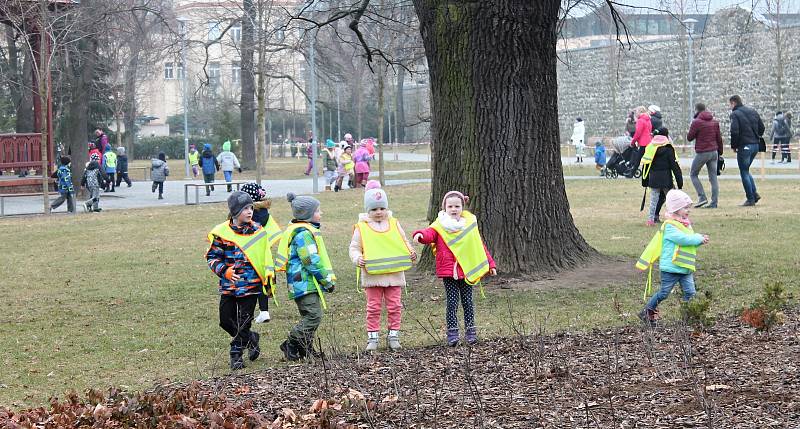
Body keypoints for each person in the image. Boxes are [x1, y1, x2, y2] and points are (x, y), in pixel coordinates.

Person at [412, 191, 497, 347]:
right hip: (449, 272)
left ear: (462, 207)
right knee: (452, 303)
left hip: (466, 270)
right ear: (444, 207)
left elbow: (479, 245)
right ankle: (452, 334)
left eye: (457, 206)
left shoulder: (469, 223)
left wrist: (490, 264)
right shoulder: (440, 225)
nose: (453, 209)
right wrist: (420, 235)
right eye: (450, 206)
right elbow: (429, 234)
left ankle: (471, 332)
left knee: (468, 302)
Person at [206, 191, 272, 370]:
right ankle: (251, 339)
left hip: (251, 286)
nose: (250, 211)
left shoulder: (258, 230)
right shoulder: (222, 233)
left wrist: (267, 278)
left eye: (251, 207)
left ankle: (236, 354)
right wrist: (224, 271)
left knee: (244, 321)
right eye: (245, 209)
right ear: (235, 212)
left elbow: (265, 256)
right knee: (225, 320)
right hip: (229, 285)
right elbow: (212, 257)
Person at [349, 181, 417, 351]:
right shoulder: (361, 227)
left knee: (395, 306)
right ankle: (373, 337)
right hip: (373, 276)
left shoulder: (394, 224)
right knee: (373, 308)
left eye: (381, 208)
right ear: (367, 210)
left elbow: (403, 240)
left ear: (386, 208)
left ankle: (394, 335)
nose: (378, 212)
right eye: (373, 209)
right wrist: (357, 258)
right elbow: (354, 247)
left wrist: (410, 252)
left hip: (394, 275)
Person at [275, 192, 336, 360]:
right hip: (303, 283)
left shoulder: (304, 231)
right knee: (313, 316)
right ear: (307, 215)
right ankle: (291, 343)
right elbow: (311, 261)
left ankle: (305, 349)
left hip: (303, 283)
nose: (320, 213)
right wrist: (326, 281)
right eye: (318, 211)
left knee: (308, 315)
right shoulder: (303, 234)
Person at [636, 190, 709, 326]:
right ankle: (647, 312)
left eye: (689, 207)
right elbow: (682, 239)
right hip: (671, 268)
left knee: (690, 293)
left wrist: (699, 241)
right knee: (664, 293)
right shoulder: (670, 226)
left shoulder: (685, 224)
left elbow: (688, 245)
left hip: (685, 268)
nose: (688, 211)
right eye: (685, 208)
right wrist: (697, 237)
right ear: (675, 209)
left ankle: (688, 317)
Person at [241, 182, 282, 324]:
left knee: (248, 284)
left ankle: (247, 312)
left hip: (248, 255)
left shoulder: (247, 216)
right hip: (264, 255)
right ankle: (264, 311)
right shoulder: (265, 214)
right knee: (262, 282)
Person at [640, 128, 682, 226]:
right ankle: (677, 219)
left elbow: (646, 165)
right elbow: (674, 166)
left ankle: (650, 220)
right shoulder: (669, 149)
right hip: (666, 179)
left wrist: (645, 181)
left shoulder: (650, 147)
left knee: (653, 201)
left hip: (654, 179)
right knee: (673, 200)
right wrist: (679, 181)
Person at [728, 95, 765, 206]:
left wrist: (734, 146)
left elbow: (734, 131)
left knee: (743, 171)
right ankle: (754, 194)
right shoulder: (753, 111)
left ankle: (750, 199)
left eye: (730, 104)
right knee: (746, 170)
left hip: (744, 146)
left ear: (733, 103)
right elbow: (762, 128)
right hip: (755, 145)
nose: (730, 107)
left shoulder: (735, 114)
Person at [687, 103, 723, 209]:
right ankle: (714, 202)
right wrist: (720, 152)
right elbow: (719, 138)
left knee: (693, 174)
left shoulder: (696, 122)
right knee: (713, 178)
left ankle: (702, 197)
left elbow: (690, 137)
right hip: (714, 151)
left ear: (696, 110)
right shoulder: (714, 122)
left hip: (703, 151)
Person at [627, 106, 653, 177]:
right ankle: (634, 173)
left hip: (643, 142)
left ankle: (632, 173)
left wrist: (633, 142)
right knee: (646, 159)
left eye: (637, 112)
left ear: (641, 112)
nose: (635, 114)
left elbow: (638, 133)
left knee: (638, 159)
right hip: (649, 142)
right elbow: (650, 130)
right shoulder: (648, 120)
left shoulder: (640, 120)